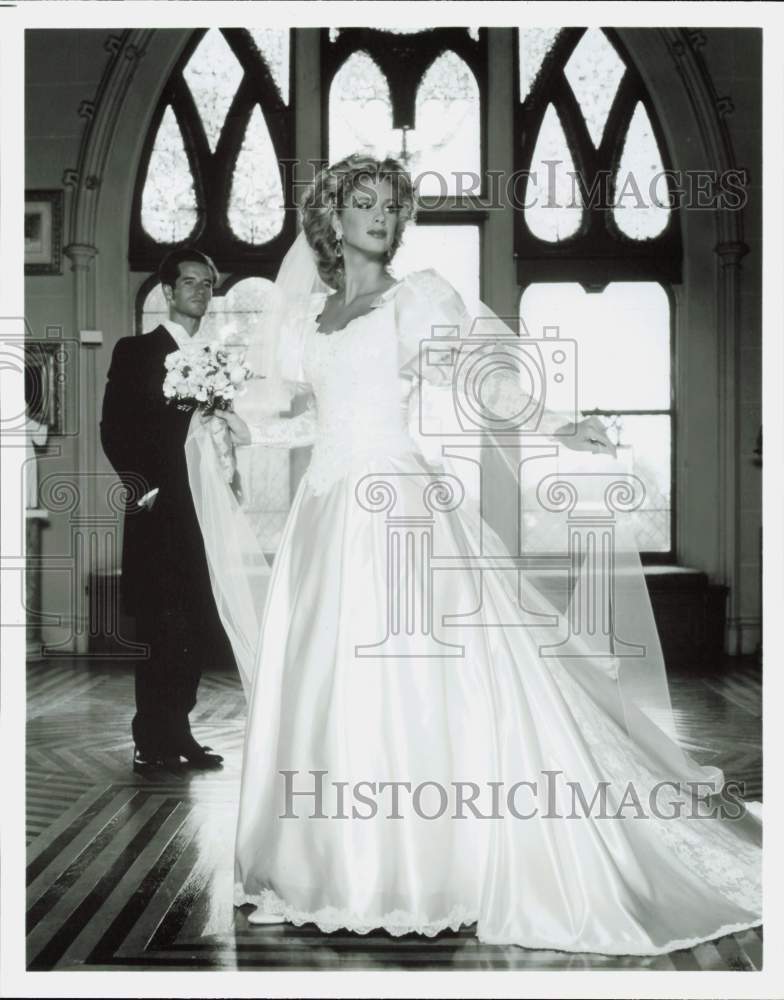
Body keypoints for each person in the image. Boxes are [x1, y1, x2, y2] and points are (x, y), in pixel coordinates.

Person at [189, 154, 761, 954]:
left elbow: (481, 382)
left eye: (391, 203)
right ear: (331, 218)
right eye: (363, 202)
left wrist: (555, 422)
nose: (380, 216)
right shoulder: (303, 322)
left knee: (414, 683)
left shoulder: (416, 302)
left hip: (399, 512)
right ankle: (319, 865)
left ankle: (434, 867)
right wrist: (236, 428)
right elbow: (306, 422)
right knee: (321, 683)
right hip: (325, 517)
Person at [100, 248, 227, 773]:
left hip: (204, 513)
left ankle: (181, 731)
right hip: (158, 511)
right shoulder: (137, 351)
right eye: (189, 282)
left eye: (207, 283)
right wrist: (144, 487)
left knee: (195, 625)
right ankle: (149, 739)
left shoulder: (218, 359)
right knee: (159, 626)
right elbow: (114, 429)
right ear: (169, 292)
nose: (199, 290)